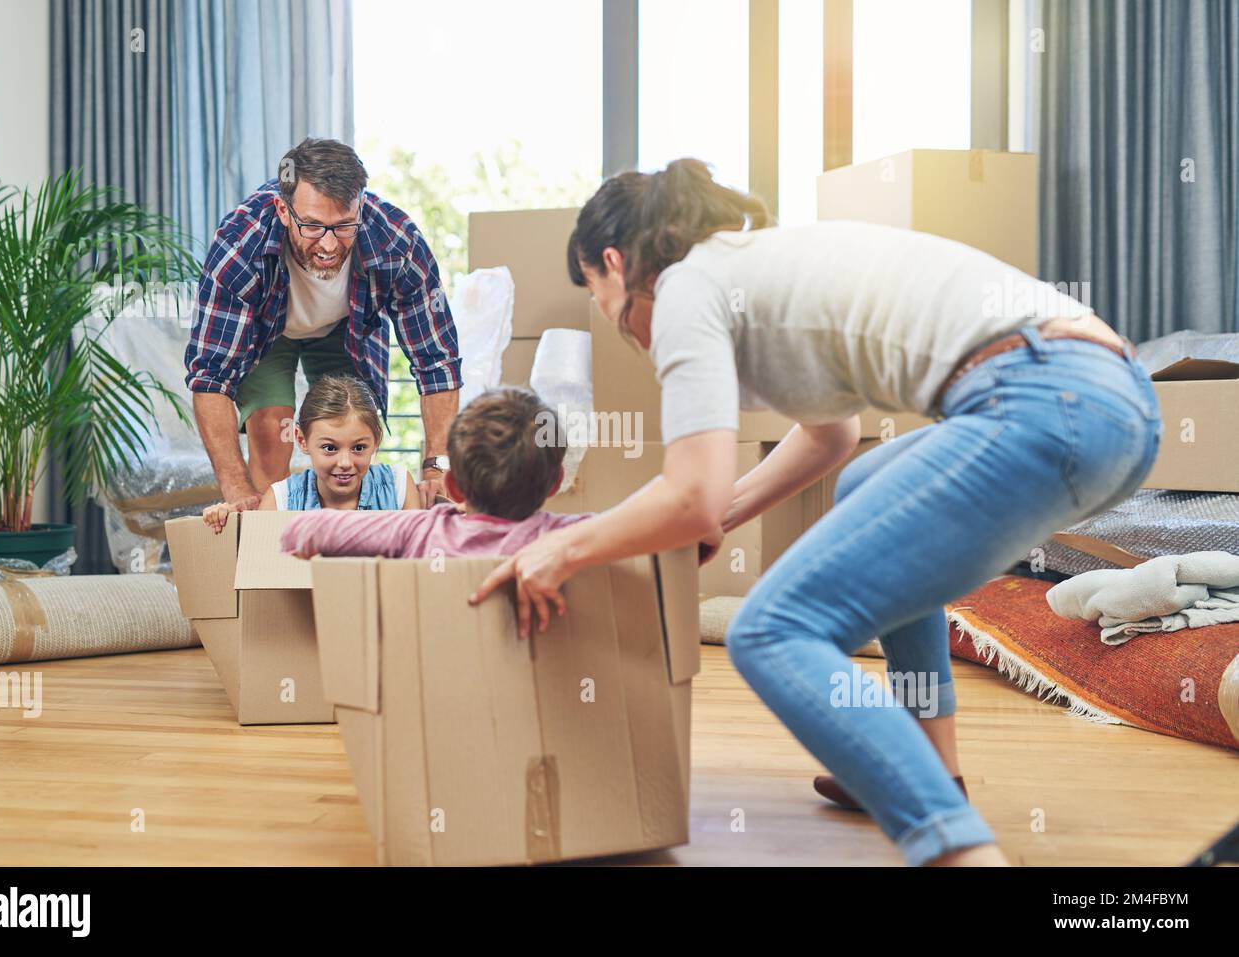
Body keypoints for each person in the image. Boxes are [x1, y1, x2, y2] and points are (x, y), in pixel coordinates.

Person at [469, 159, 1161, 867]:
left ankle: (962, 855)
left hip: (1046, 399)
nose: (618, 325)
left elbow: (688, 490)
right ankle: (932, 758)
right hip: (1110, 400)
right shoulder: (749, 275)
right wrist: (723, 514)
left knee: (772, 629)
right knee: (863, 485)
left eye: (598, 295)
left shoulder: (684, 287)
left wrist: (565, 548)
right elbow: (832, 435)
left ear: (615, 263)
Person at [185, 137, 461, 518]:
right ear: (283, 209)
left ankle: (347, 558)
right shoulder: (240, 243)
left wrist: (437, 468)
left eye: (343, 225)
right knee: (272, 429)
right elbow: (211, 377)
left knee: (349, 428)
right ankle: (273, 560)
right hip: (268, 333)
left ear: (360, 207)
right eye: (313, 226)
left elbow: (437, 362)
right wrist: (237, 491)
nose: (329, 244)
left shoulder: (397, 242)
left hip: (346, 328)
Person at [281, 387, 590, 559]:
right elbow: (632, 525)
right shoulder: (565, 537)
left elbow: (300, 532)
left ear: (452, 486)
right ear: (556, 482)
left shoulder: (419, 530)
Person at [202, 375, 418, 532]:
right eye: (330, 448)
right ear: (302, 440)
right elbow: (258, 570)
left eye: (359, 448)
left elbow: (415, 562)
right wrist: (227, 522)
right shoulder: (281, 500)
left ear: (376, 441)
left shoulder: (398, 486)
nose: (345, 462)